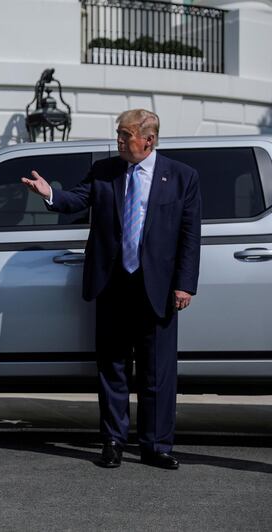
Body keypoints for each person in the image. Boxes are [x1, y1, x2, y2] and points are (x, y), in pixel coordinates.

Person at [21, 109, 201, 470]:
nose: (118, 140)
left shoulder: (182, 177)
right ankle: (113, 442)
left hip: (158, 289)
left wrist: (184, 285)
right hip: (113, 284)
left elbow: (189, 236)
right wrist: (49, 194)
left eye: (125, 135)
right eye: (118, 134)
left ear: (148, 140)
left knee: (157, 372)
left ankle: (156, 445)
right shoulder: (105, 171)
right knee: (113, 368)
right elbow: (75, 200)